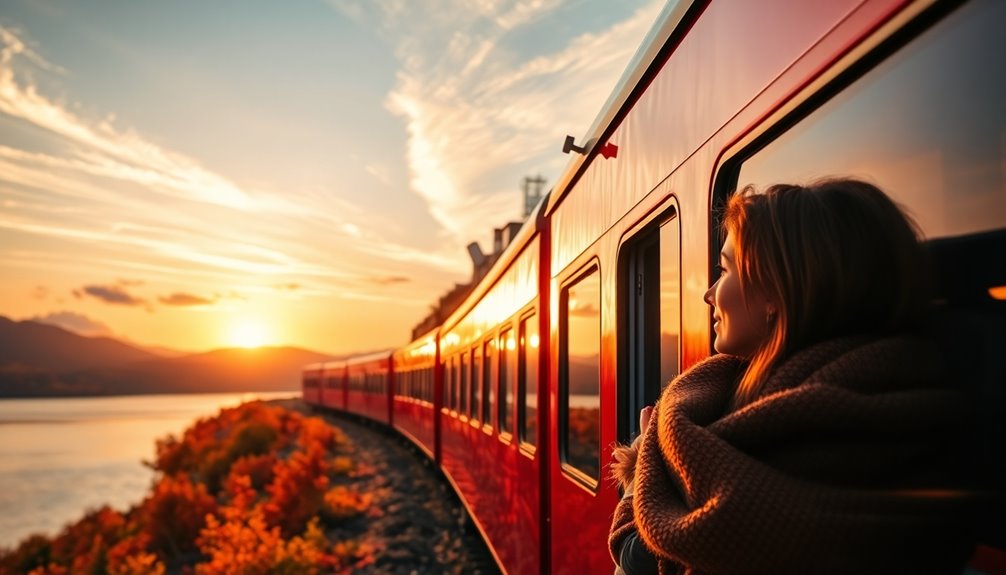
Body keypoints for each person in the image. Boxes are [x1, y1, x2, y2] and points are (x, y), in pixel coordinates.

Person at [608, 178, 975, 574]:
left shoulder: (771, 440)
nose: (709, 293)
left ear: (774, 291)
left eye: (725, 269)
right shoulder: (907, 416)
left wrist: (642, 471)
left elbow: (640, 561)